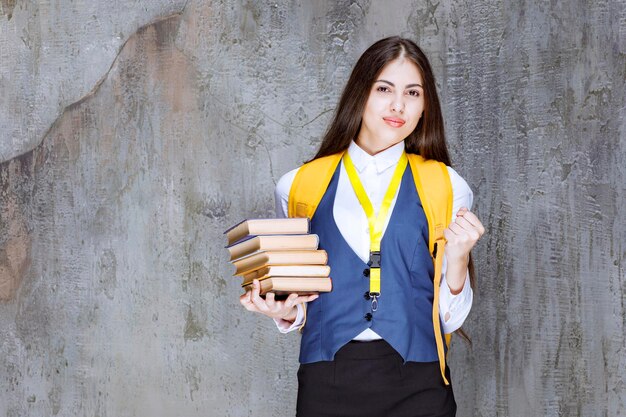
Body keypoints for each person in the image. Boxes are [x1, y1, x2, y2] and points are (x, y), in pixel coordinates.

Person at [239, 36, 485, 417]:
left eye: (413, 93)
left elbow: (448, 319)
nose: (398, 105)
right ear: (360, 93)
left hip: (419, 381)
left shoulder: (448, 186)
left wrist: (457, 262)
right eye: (384, 88)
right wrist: (283, 312)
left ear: (425, 106)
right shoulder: (298, 185)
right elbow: (304, 306)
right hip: (328, 381)